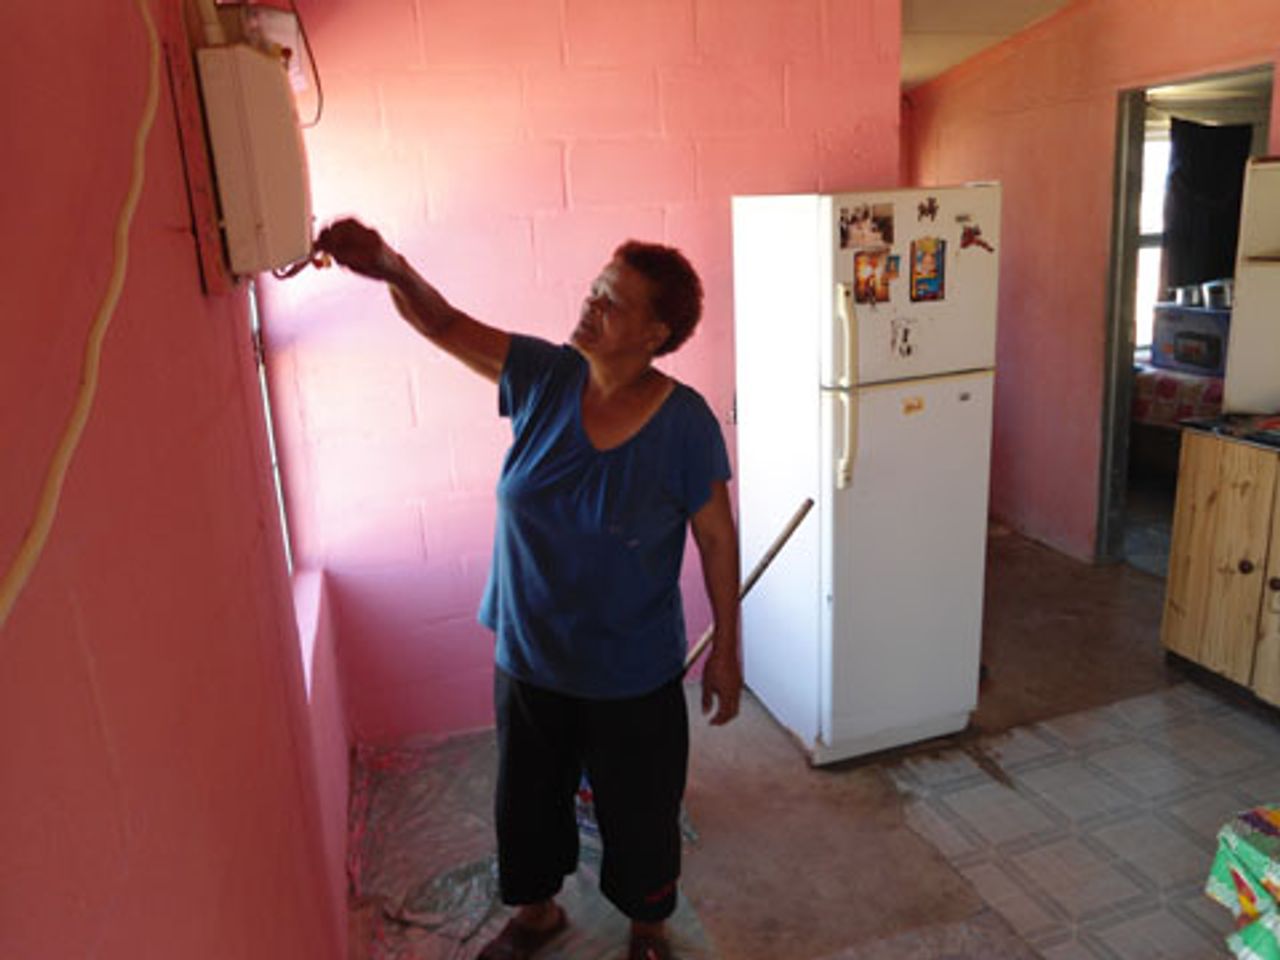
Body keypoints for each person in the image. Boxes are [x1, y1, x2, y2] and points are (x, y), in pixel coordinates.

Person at [314, 219, 743, 960]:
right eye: (594, 290)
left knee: (640, 811)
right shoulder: (544, 376)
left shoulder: (685, 423)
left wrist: (728, 650)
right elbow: (443, 324)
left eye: (611, 301)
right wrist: (389, 266)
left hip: (631, 669)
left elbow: (716, 537)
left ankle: (648, 929)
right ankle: (539, 914)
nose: (590, 305)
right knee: (528, 801)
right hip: (531, 654)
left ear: (655, 332)